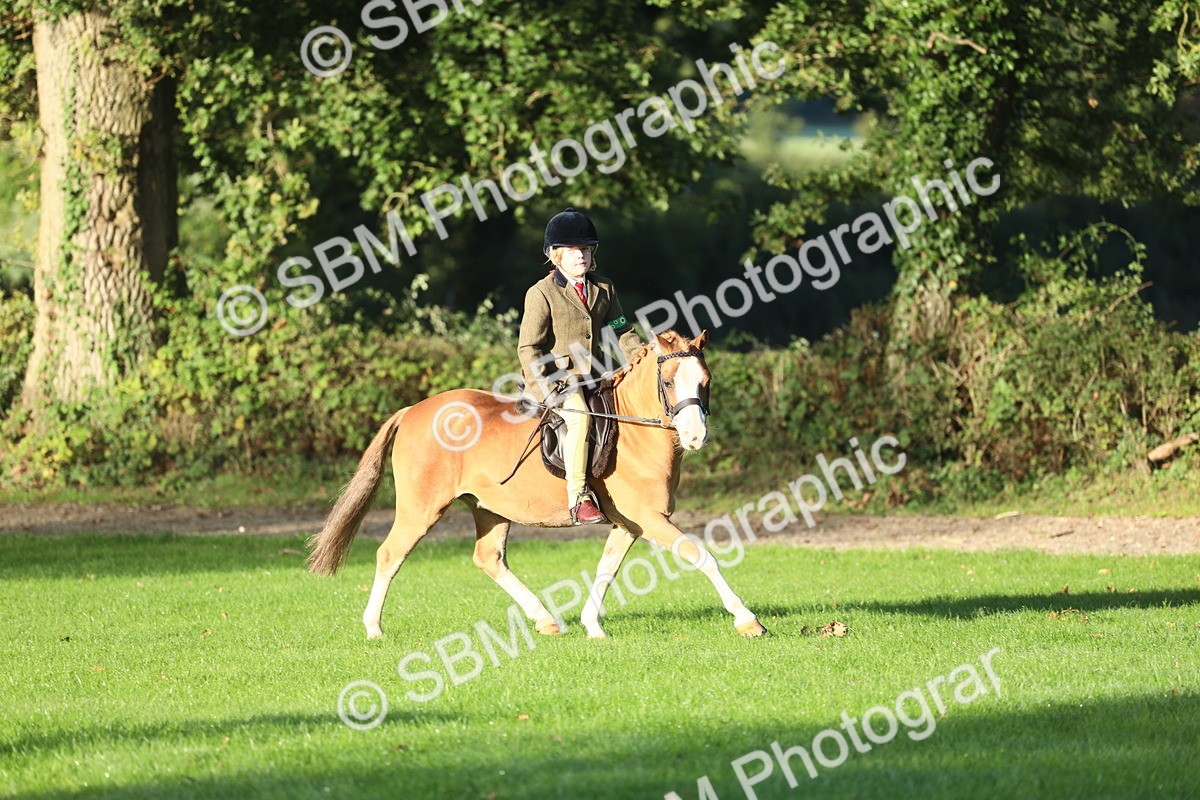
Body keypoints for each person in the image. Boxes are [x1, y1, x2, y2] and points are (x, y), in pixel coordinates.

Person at [518, 208, 644, 524]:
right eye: (574, 250)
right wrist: (545, 389)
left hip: (596, 375)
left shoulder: (604, 288)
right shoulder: (541, 293)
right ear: (555, 254)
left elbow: (622, 328)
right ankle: (578, 499)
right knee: (580, 419)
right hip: (556, 379)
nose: (581, 256)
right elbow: (528, 348)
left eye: (586, 249)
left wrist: (640, 358)